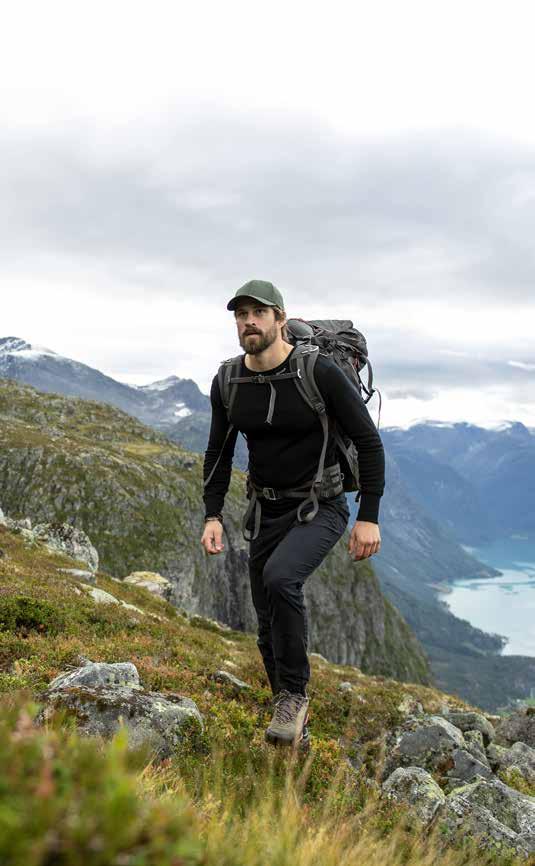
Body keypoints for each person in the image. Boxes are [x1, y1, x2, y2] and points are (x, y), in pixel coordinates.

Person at [201, 279, 385, 751]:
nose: (248, 322)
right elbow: (218, 453)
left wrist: (368, 515)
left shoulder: (318, 372)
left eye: (258, 313)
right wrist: (213, 515)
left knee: (282, 579)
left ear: (280, 319)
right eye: (241, 314)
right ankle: (290, 721)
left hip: (320, 505)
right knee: (266, 625)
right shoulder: (228, 382)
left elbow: (368, 441)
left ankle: (295, 697)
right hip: (265, 509)